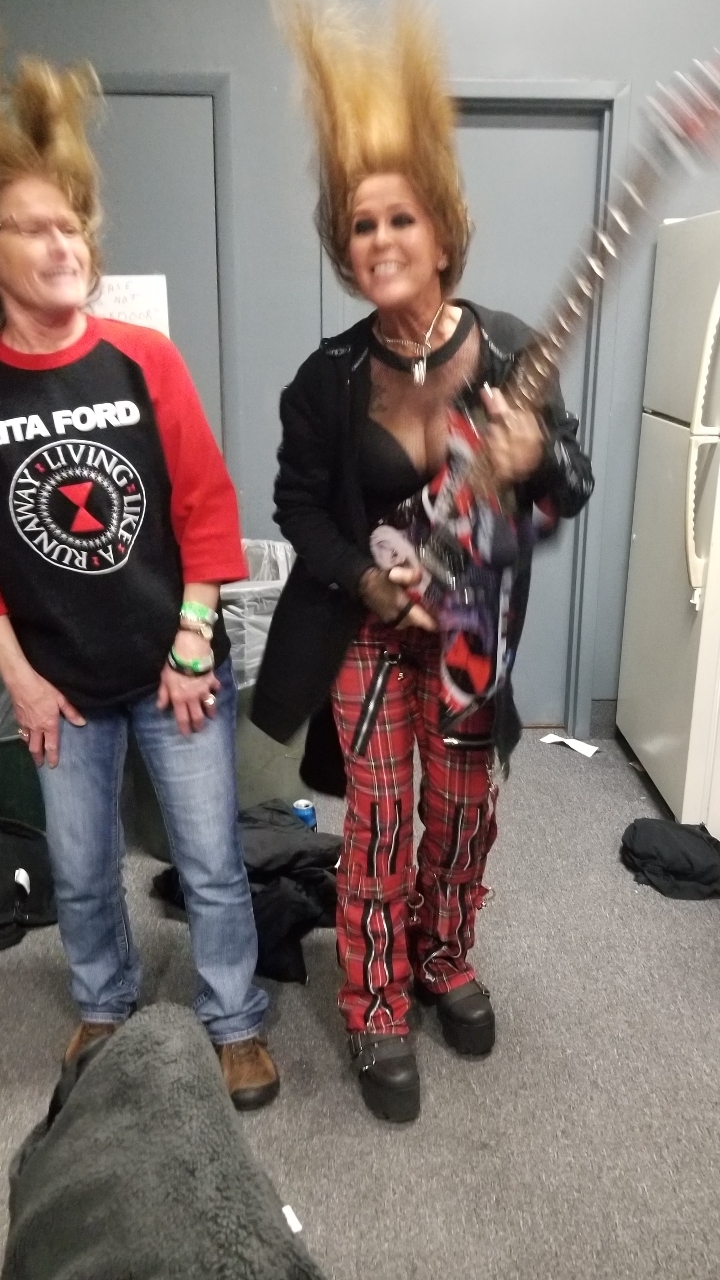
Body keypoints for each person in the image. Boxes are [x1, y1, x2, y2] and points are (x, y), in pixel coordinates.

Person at [253, 2, 593, 1123]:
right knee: (381, 821)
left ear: (443, 234)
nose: (383, 238)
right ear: (345, 249)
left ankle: (442, 953)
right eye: (362, 225)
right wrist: (365, 578)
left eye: (402, 217)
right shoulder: (325, 380)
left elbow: (570, 485)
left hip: (470, 636)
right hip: (363, 629)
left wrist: (533, 456)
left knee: (460, 815)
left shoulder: (509, 354)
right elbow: (299, 507)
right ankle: (375, 1001)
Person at [0, 55, 279, 1110]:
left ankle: (234, 1020)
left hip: (175, 669)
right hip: (58, 686)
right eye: (33, 227)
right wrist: (21, 681)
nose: (64, 243)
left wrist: (195, 638)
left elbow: (206, 507)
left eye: (71, 224)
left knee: (209, 858)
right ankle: (105, 1003)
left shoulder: (141, 358)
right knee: (80, 869)